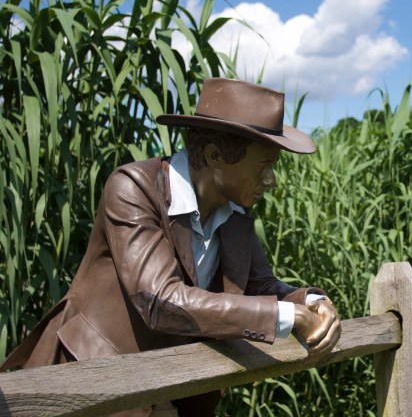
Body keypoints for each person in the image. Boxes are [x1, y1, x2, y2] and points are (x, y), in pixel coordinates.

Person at [0, 78, 341, 416]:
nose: (271, 181)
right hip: (95, 384)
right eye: (263, 166)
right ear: (214, 155)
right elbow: (159, 299)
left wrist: (312, 302)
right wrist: (288, 316)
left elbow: (262, 286)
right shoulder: (133, 189)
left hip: (171, 387)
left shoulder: (236, 213)